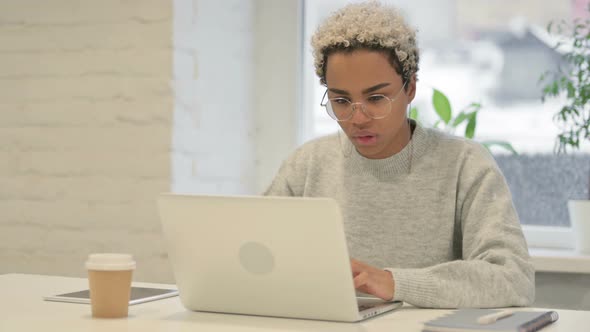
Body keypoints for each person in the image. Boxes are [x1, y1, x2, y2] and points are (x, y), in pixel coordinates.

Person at [264, 1, 534, 308]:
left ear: (410, 89)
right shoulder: (306, 166)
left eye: (376, 98)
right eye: (341, 100)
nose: (358, 118)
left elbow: (513, 279)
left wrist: (395, 283)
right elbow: (252, 256)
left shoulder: (465, 165)